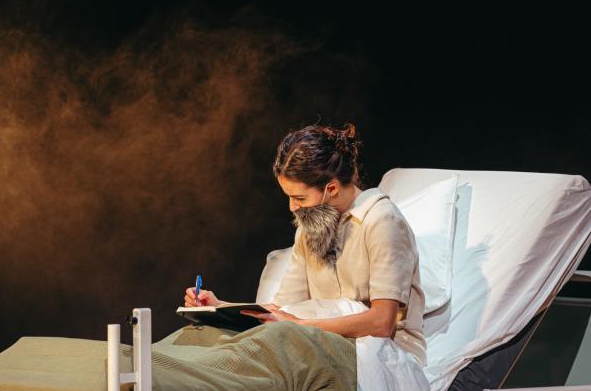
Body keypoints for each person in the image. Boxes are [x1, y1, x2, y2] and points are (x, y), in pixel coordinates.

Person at [183, 122, 427, 367]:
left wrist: (299, 328)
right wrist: (219, 307)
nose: (292, 207)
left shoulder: (382, 221)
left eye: (299, 198)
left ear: (330, 188)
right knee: (207, 342)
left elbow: (382, 322)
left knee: (244, 365)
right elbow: (279, 311)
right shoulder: (308, 231)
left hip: (386, 356)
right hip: (322, 345)